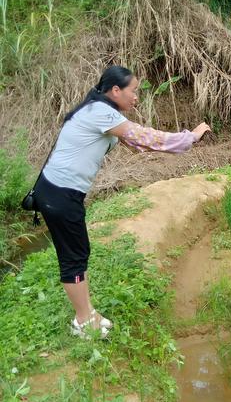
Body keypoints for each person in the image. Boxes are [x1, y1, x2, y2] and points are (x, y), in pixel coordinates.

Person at [34, 65, 210, 338]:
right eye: (133, 91)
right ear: (115, 90)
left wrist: (178, 142)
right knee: (74, 257)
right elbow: (146, 137)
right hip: (60, 193)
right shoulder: (101, 113)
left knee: (78, 252)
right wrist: (190, 137)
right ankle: (83, 321)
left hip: (59, 191)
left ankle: (87, 313)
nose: (136, 97)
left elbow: (138, 142)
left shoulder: (99, 112)